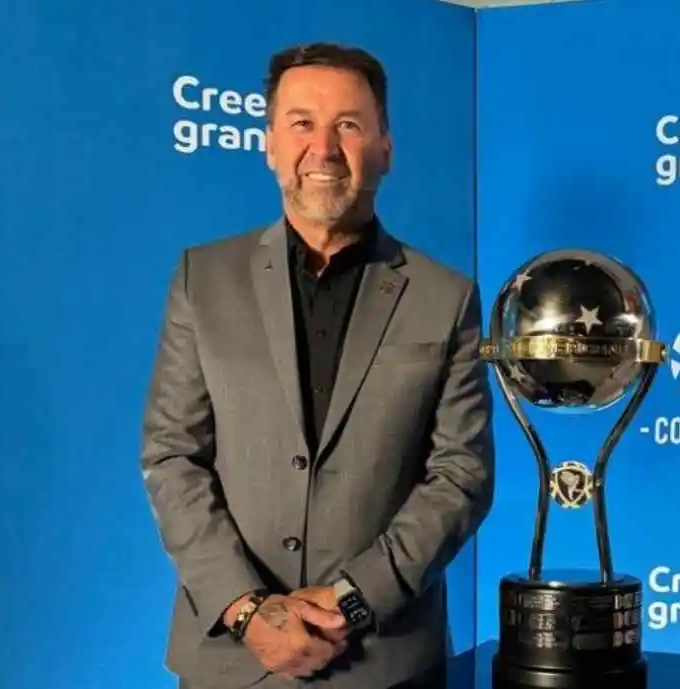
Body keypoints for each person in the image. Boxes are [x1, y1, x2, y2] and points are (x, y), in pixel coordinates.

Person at [140, 42, 494, 689]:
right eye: (302, 123)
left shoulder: (448, 297)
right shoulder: (203, 278)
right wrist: (246, 610)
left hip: (385, 661)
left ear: (385, 146)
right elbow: (171, 455)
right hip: (229, 660)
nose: (324, 149)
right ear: (271, 143)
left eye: (349, 126)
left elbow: (461, 473)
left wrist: (354, 599)